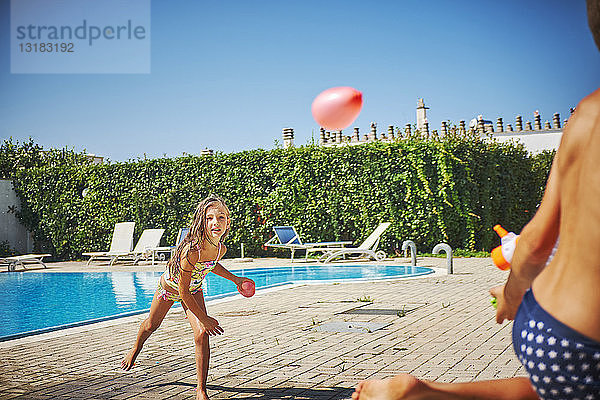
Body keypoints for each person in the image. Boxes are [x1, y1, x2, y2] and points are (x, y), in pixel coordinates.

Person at [352, 2, 600, 398]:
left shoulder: (588, 114)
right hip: (587, 334)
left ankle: (429, 392)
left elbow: (536, 240)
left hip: (549, 322)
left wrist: (513, 293)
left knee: (550, 388)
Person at [121, 194, 253, 400]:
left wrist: (235, 279)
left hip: (194, 289)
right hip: (170, 290)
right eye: (209, 218)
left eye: (221, 217)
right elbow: (182, 291)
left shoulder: (221, 248)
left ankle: (201, 390)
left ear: (228, 222)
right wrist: (205, 318)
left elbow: (212, 264)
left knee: (201, 333)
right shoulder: (192, 249)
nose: (215, 222)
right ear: (202, 221)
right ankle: (136, 348)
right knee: (151, 325)